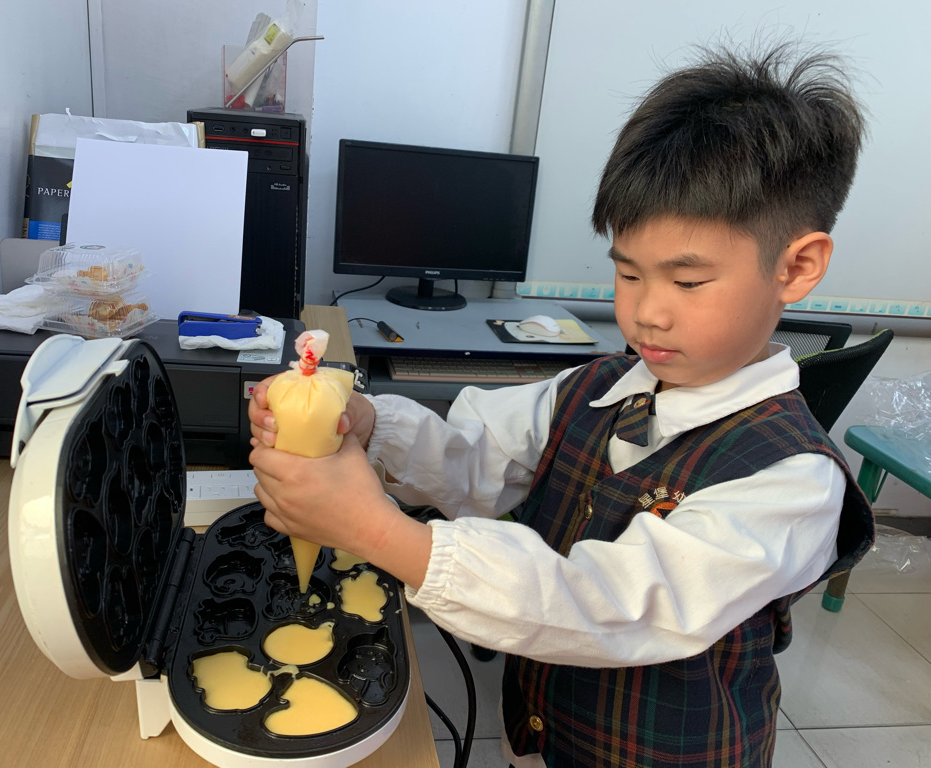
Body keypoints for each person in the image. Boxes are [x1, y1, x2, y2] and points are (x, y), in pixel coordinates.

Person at [248, 40, 875, 768]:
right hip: (545, 732)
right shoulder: (595, 385)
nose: (647, 314)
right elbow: (475, 457)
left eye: (688, 282)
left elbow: (608, 603)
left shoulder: (792, 480)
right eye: (629, 274)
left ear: (797, 267)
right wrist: (368, 423)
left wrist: (379, 533)